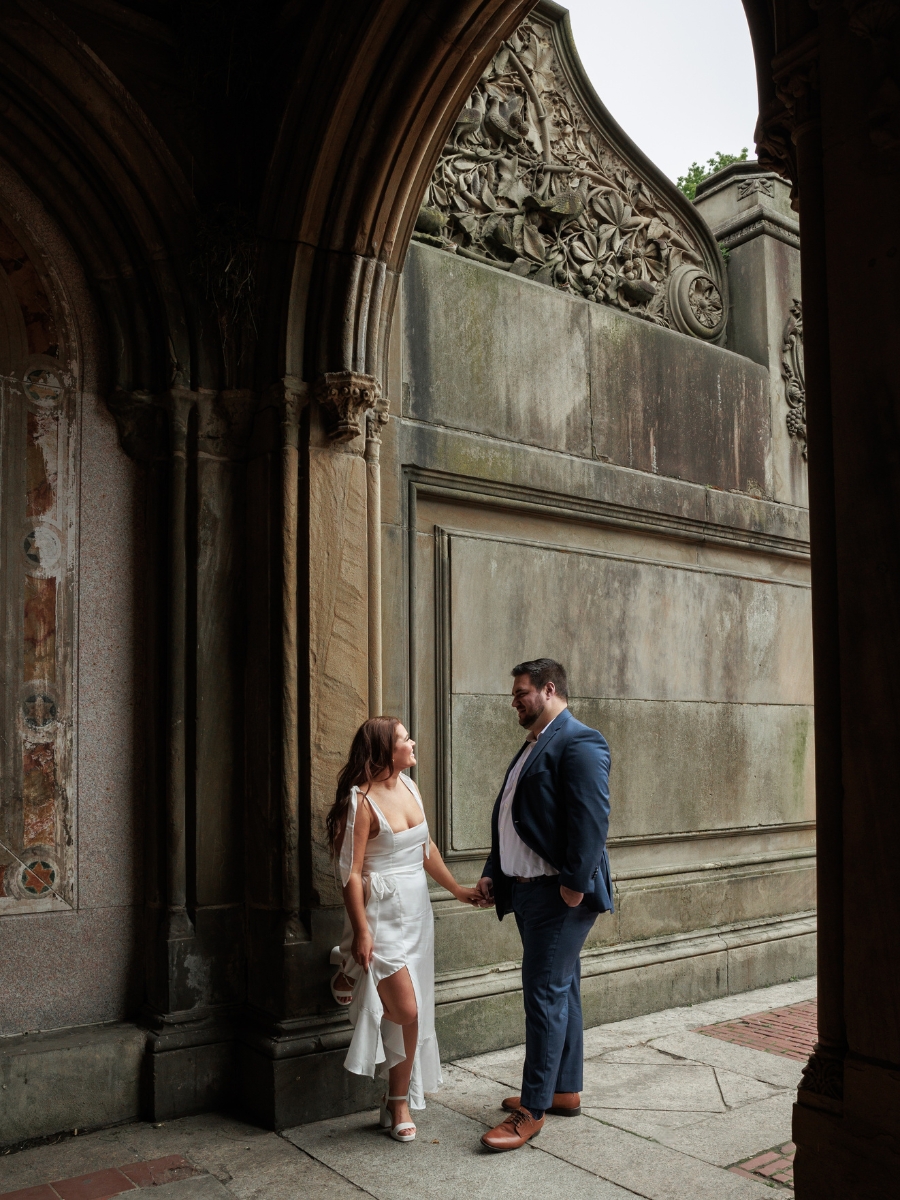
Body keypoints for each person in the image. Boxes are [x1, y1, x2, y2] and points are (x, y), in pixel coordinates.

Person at [476, 658, 612, 1152]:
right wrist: (495, 870)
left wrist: (575, 884)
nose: (514, 700)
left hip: (559, 894)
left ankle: (532, 1111)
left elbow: (592, 820)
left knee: (544, 994)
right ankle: (563, 1091)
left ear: (549, 689)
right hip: (529, 889)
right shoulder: (534, 744)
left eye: (521, 692)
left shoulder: (580, 741)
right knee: (562, 989)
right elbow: (514, 816)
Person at [326, 716, 482, 1143]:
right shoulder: (361, 801)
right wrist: (361, 931)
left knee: (415, 1011)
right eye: (404, 739)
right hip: (380, 913)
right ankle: (350, 968)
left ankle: (397, 1100)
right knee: (407, 1010)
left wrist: (458, 890)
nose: (413, 743)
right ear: (383, 751)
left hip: (417, 914)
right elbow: (351, 874)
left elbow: (425, 848)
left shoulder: (410, 787)